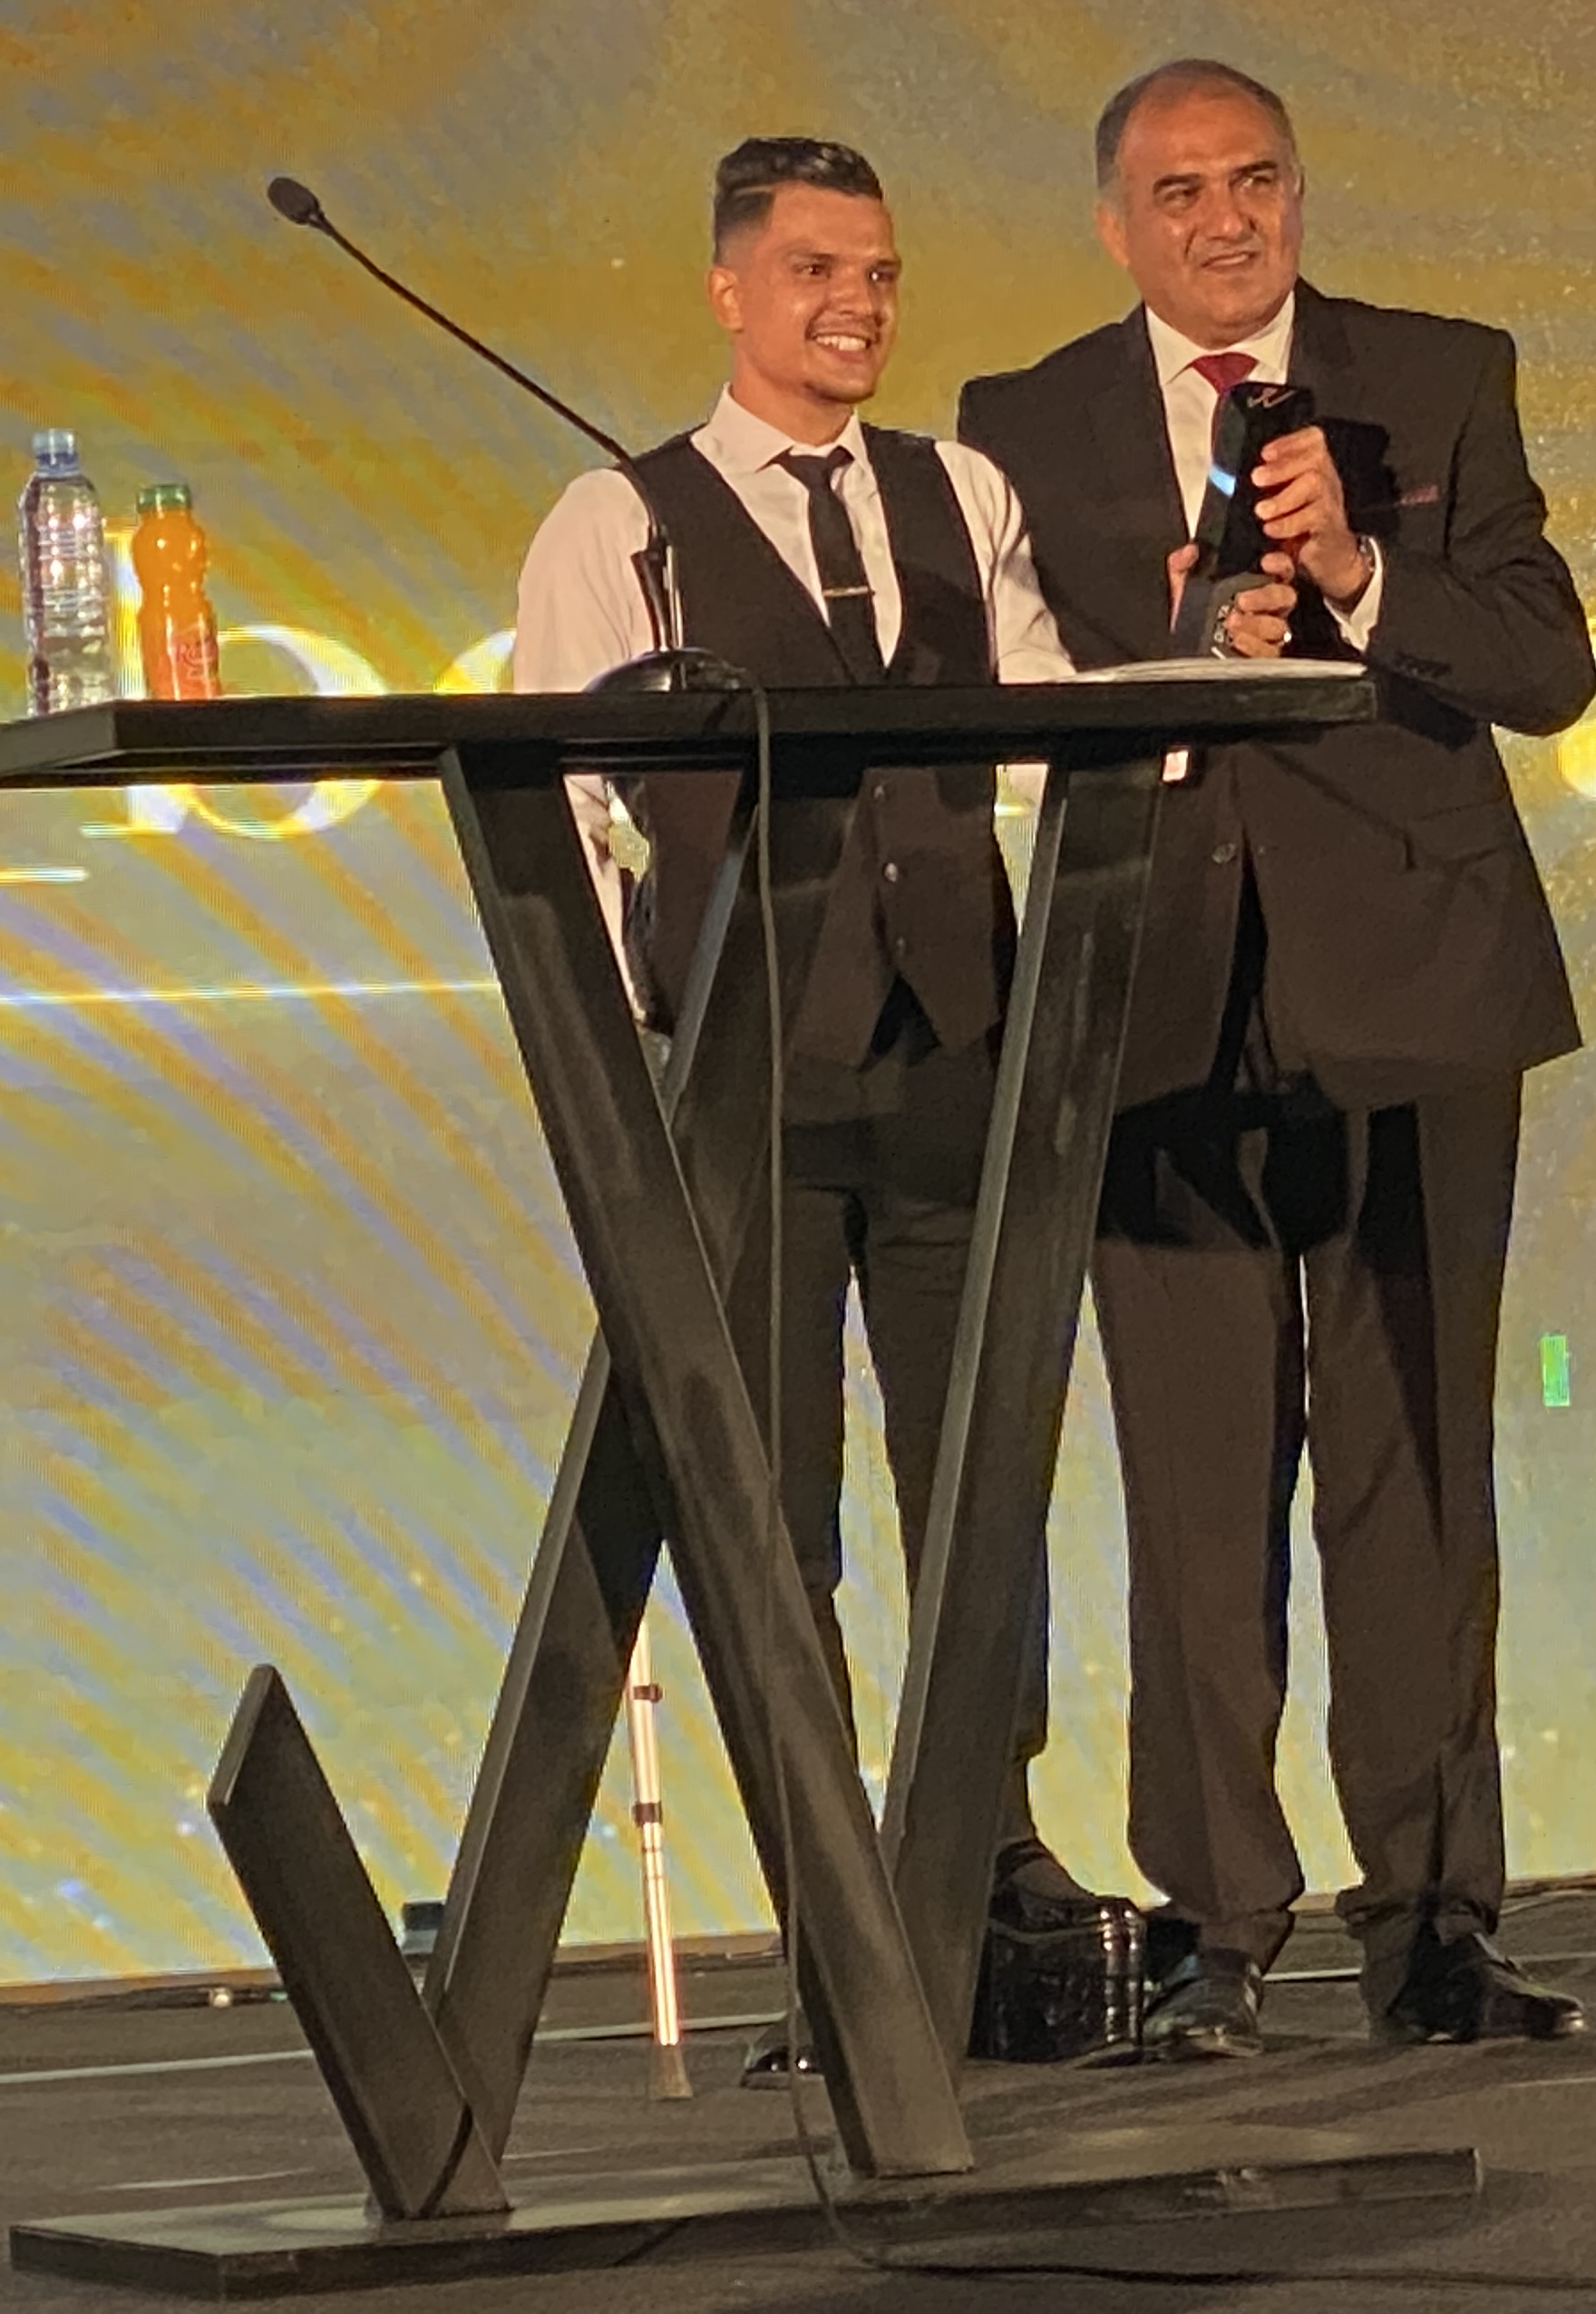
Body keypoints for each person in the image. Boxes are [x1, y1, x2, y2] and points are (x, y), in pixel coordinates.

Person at [518, 137, 1260, 2077]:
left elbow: (1045, 706)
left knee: (981, 1491)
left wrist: (1197, 675)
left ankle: (984, 1860)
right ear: (729, 290)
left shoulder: (958, 490)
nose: (857, 304)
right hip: (744, 1082)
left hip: (957, 1059)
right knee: (777, 1518)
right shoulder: (622, 523)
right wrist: (625, 1065)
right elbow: (567, 808)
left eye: (881, 273)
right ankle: (833, 1913)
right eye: (817, 269)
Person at [957, 60, 1596, 2058]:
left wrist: (1361, 578)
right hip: (1158, 996)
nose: (1222, 219)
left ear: (1299, 195)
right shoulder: (1020, 424)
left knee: (1418, 1476)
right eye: (1178, 192)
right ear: (1114, 225)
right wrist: (1182, 647)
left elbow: (1548, 666)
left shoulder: (1439, 375)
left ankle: (1435, 1929)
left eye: (1253, 181)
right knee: (1192, 1484)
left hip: (1416, 988)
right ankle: (1217, 1930)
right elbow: (1010, 694)